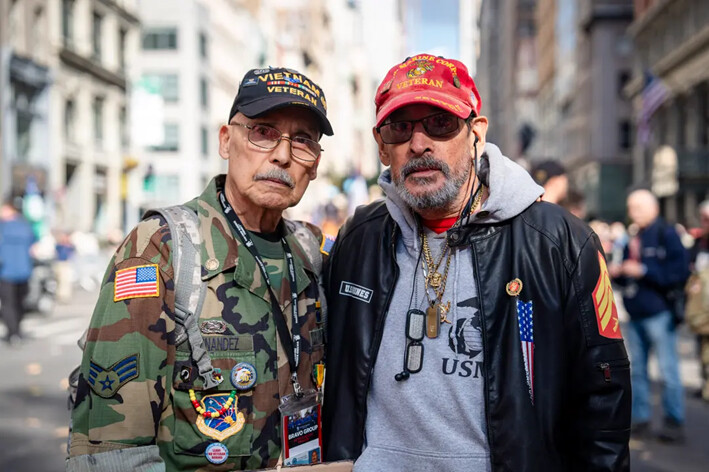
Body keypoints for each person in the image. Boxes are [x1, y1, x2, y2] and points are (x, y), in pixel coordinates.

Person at [322, 53, 631, 471]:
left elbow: (603, 399)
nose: (419, 143)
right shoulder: (360, 237)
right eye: (400, 127)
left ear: (476, 133)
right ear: (381, 147)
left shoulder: (557, 242)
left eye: (440, 123)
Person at [67, 67, 333, 470]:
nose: (282, 155)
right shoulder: (161, 248)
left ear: (313, 165)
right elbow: (112, 454)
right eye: (262, 131)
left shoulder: (314, 253)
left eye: (303, 141)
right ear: (227, 141)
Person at [610, 189, 690, 443]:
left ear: (652, 208)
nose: (632, 213)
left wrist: (643, 269)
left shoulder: (667, 234)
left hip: (658, 313)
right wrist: (620, 271)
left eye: (637, 208)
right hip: (636, 313)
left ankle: (673, 420)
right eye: (631, 208)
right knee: (638, 371)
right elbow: (628, 272)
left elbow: (678, 273)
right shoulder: (635, 236)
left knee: (667, 371)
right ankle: (640, 418)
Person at [0, 197, 37, 345]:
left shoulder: (3, 227)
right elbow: (34, 246)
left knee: (8, 304)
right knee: (19, 303)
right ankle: (17, 330)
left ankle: (13, 333)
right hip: (24, 270)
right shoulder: (26, 226)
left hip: (6, 271)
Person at [686, 200, 709, 401]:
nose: (705, 223)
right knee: (701, 349)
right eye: (703, 219)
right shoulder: (699, 243)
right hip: (701, 307)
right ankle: (705, 383)